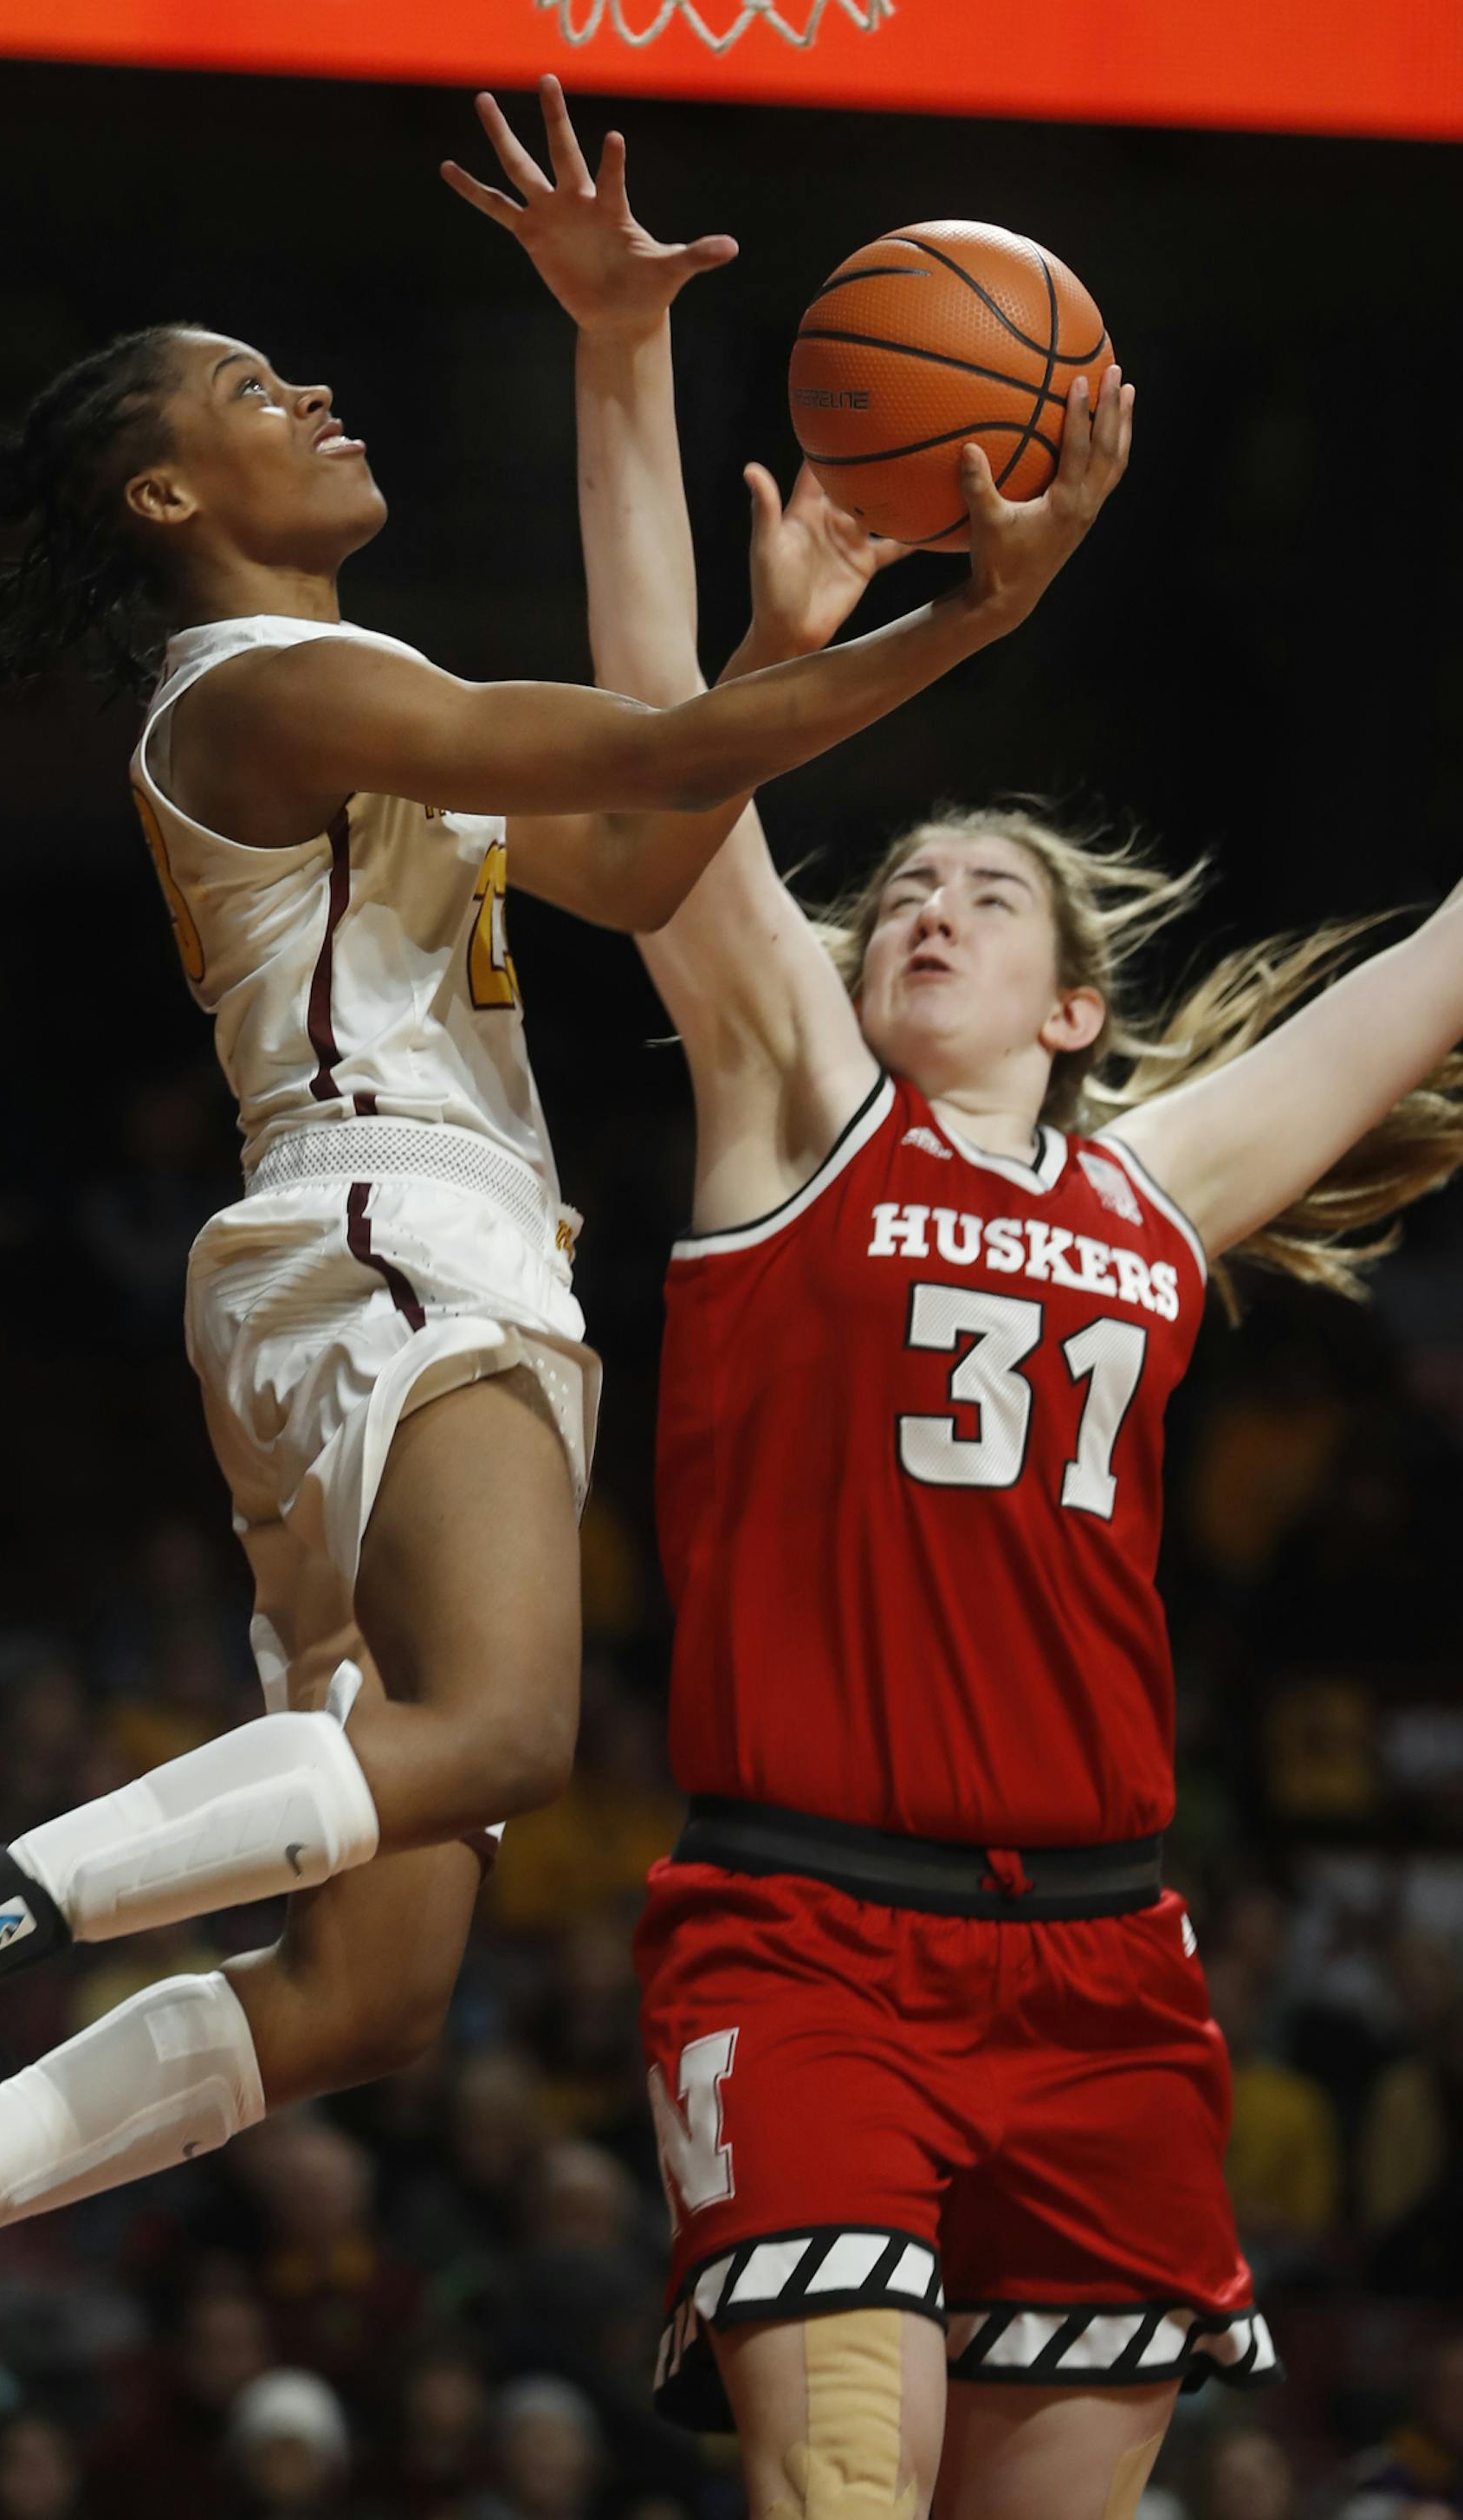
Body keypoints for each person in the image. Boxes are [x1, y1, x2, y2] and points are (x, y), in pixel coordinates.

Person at [0, 94, 1128, 2493]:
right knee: (514, 1732)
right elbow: (661, 752)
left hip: (381, 1271)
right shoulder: (250, 689)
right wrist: (991, 612)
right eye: (255, 392)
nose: (316, 401)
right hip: (384, 1238)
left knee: (371, 1995)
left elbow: (651, 853)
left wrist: (780, 626)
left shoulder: (356, 693)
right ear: (168, 498)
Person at [450, 78, 1463, 2520]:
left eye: (982, 894)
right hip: (810, 1937)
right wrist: (617, 354)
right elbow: (661, 728)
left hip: (1112, 1970)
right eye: (896, 876)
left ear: (1077, 1005)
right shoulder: (794, 1099)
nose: (921, 901)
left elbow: (1439, 968)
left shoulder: (1156, 1188)